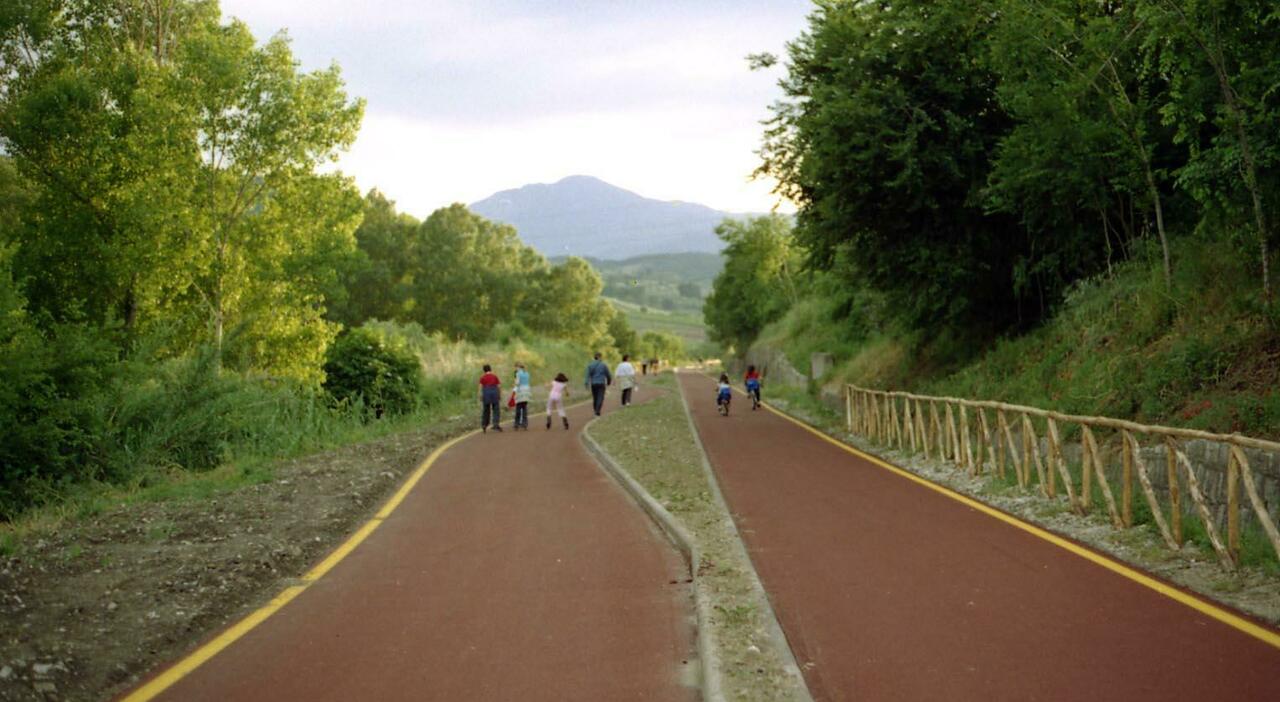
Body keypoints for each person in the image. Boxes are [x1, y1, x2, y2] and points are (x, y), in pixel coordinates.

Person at [584, 352, 612, 416]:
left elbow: (587, 375)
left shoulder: (590, 365)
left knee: (595, 398)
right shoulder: (603, 365)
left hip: (593, 384)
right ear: (600, 357)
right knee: (600, 397)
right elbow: (608, 375)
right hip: (601, 383)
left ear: (594, 357)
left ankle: (595, 411)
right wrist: (609, 382)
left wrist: (586, 383)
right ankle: (597, 411)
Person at [478, 364, 503, 432]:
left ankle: (484, 424)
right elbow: (499, 386)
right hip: (494, 393)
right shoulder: (494, 376)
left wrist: (480, 395)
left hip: (486, 393)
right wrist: (500, 394)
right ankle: (495, 424)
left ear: (484, 370)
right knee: (496, 409)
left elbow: (480, 387)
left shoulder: (482, 377)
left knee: (486, 410)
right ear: (490, 369)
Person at [512, 362, 532, 430]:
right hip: (527, 391)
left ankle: (516, 424)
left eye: (516, 367)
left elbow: (517, 383)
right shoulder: (527, 373)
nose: (515, 369)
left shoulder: (518, 373)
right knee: (524, 408)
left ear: (518, 367)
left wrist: (514, 383)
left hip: (520, 391)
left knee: (518, 408)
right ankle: (525, 423)